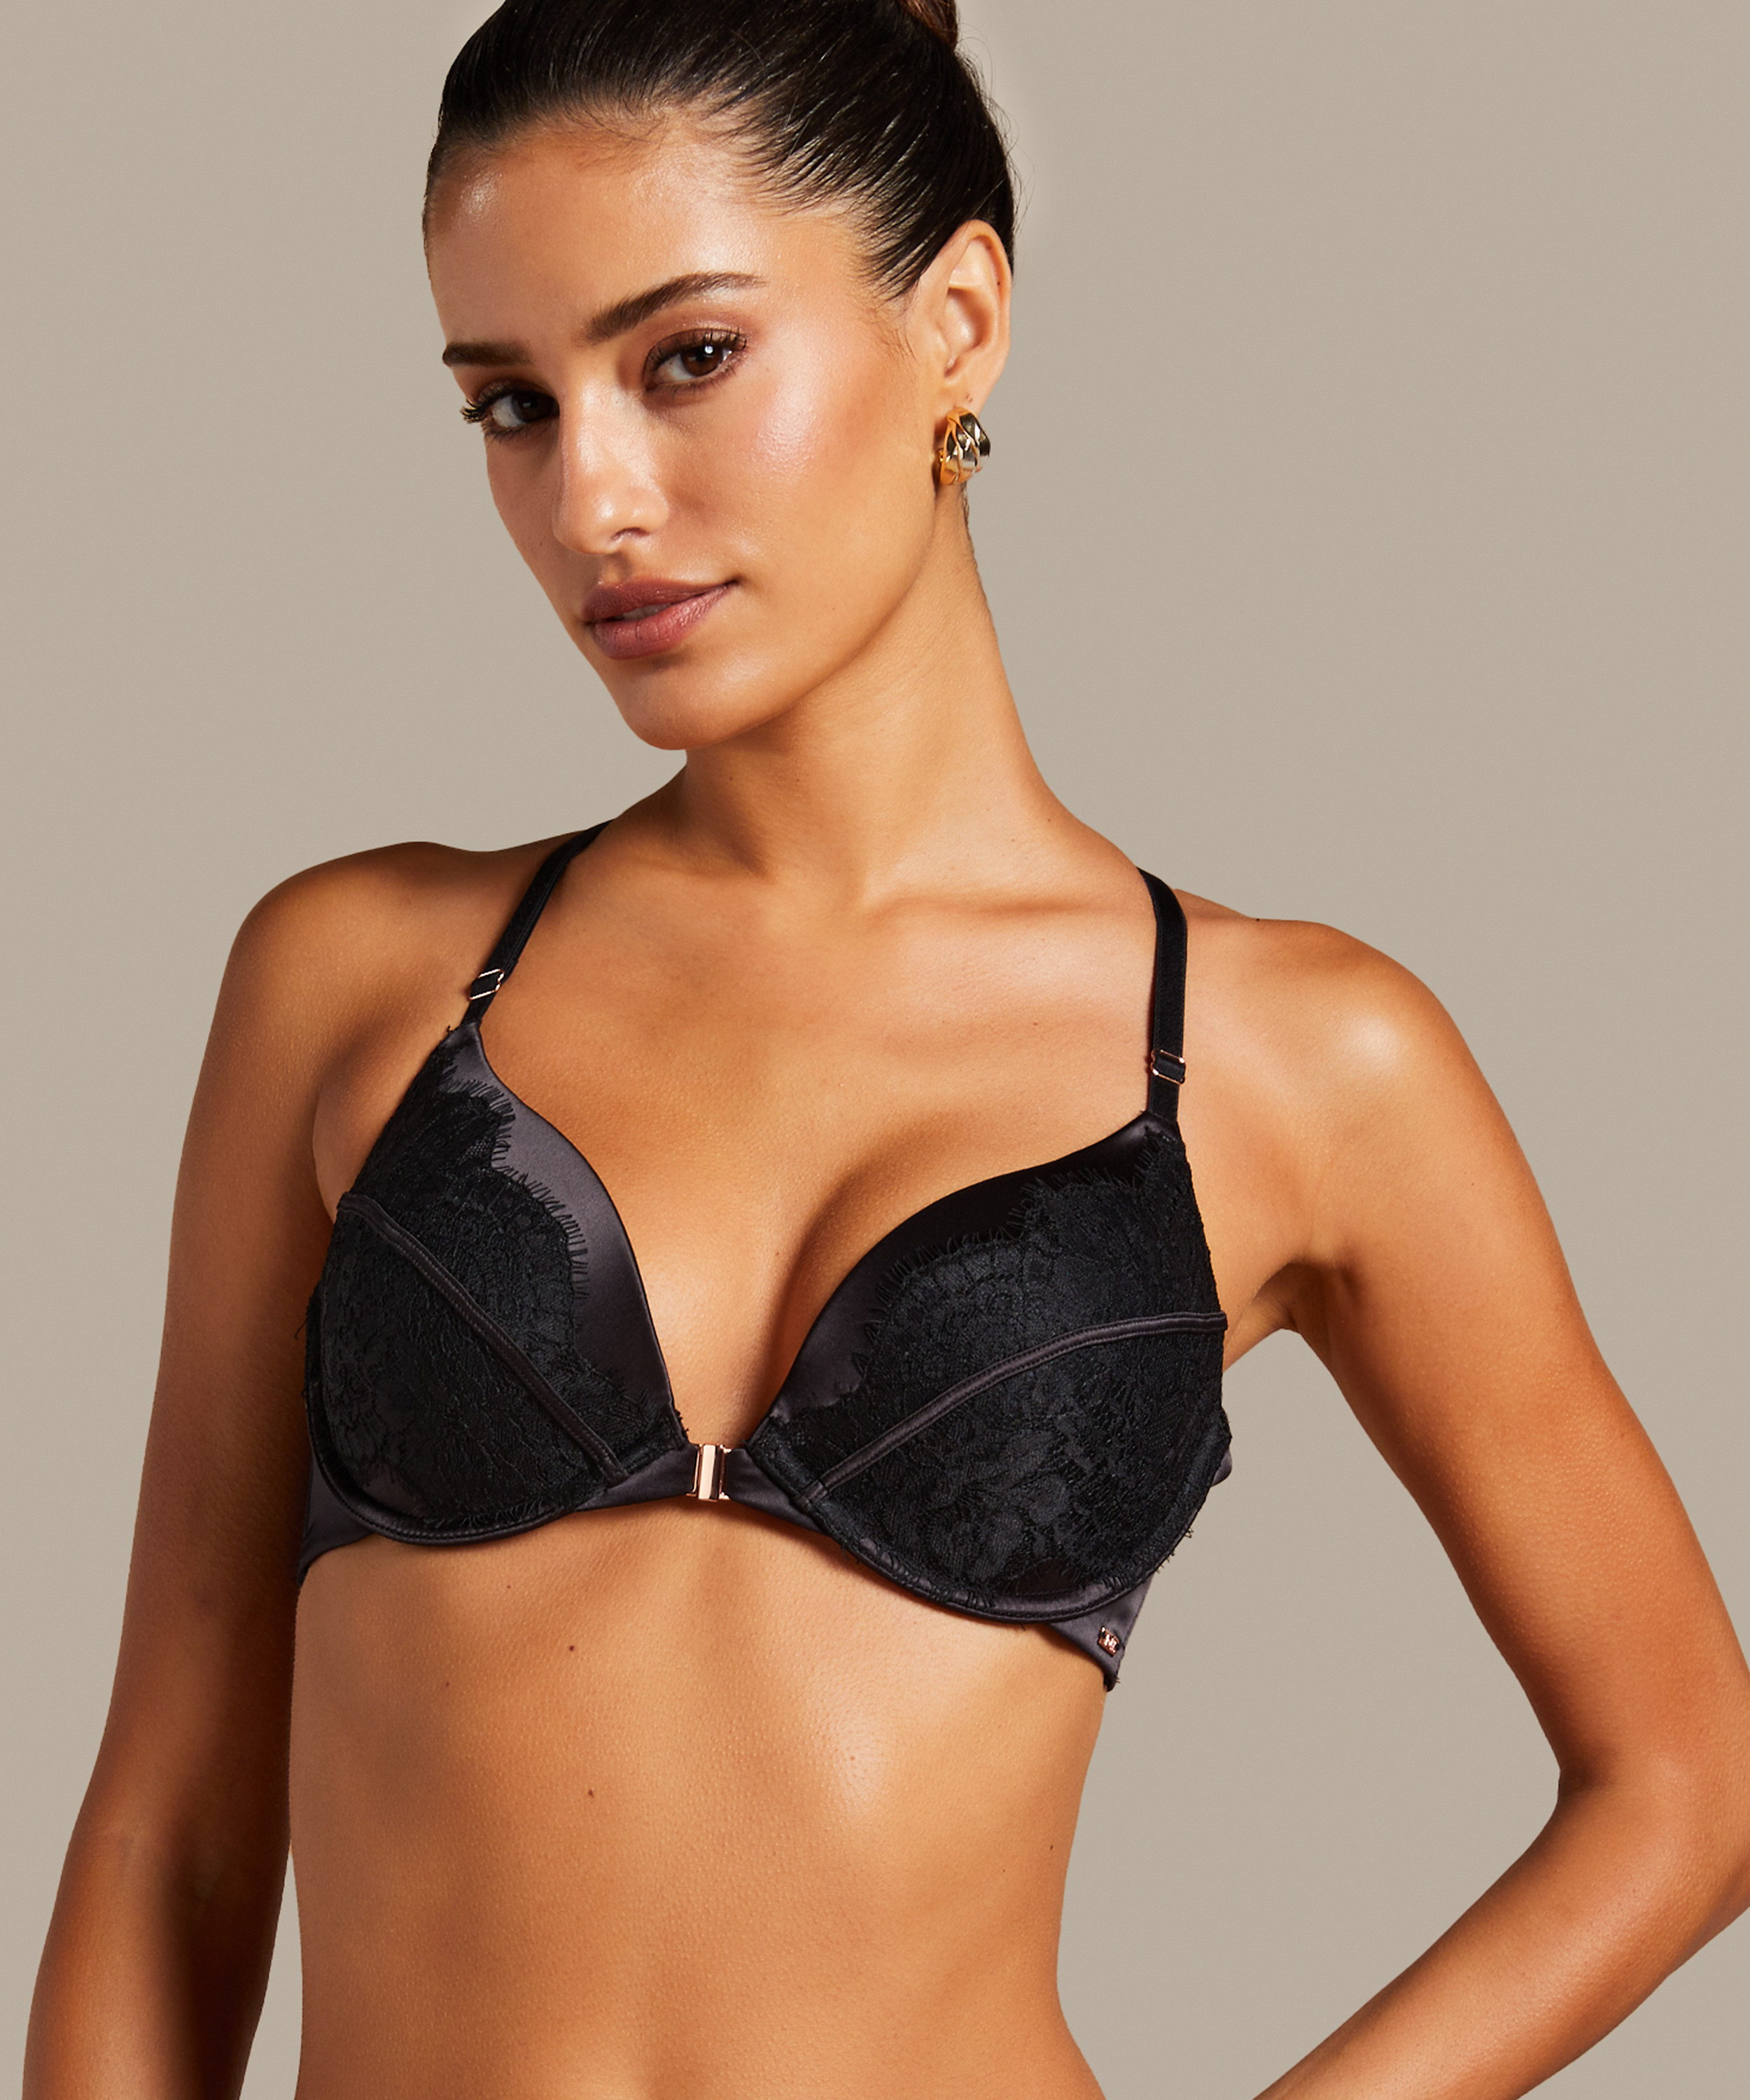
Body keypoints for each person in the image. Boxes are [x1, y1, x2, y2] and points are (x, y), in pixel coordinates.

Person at [24, 2, 1750, 2094]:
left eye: (687, 358)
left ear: (958, 322)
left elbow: (1687, 1780)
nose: (591, 498)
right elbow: (174, 1830)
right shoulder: (356, 977)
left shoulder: (1297, 1061)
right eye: (510, 404)